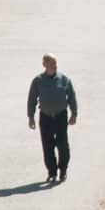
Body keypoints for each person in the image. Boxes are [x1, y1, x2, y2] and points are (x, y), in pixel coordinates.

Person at [27, 54, 78, 184]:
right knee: (48, 146)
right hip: (46, 117)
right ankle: (52, 172)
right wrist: (31, 117)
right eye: (51, 64)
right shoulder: (38, 81)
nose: (54, 66)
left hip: (61, 116)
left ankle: (63, 170)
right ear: (44, 65)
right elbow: (32, 99)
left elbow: (71, 96)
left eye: (55, 64)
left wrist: (74, 113)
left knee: (63, 145)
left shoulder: (64, 79)